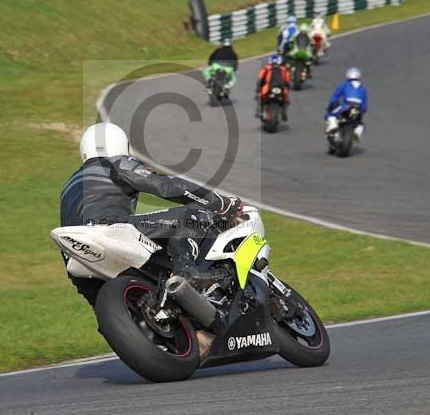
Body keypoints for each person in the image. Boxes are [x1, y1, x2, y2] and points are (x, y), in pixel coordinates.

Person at [60, 123, 243, 306]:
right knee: (191, 215)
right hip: (110, 230)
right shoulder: (114, 163)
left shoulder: (68, 186)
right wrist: (222, 203)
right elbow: (169, 186)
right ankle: (186, 270)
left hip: (78, 258)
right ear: (119, 145)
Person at [325, 67, 367, 141]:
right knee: (360, 123)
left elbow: (335, 98)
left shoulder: (344, 85)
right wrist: (361, 112)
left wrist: (330, 106)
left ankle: (333, 126)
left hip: (346, 106)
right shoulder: (363, 88)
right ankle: (358, 132)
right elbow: (364, 105)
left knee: (330, 115)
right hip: (358, 108)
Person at [255, 54, 291, 121]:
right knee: (286, 98)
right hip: (279, 88)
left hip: (269, 87)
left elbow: (260, 79)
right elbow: (287, 81)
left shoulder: (266, 68)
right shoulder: (284, 69)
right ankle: (283, 112)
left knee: (260, 96)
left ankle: (260, 111)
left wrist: (258, 89)